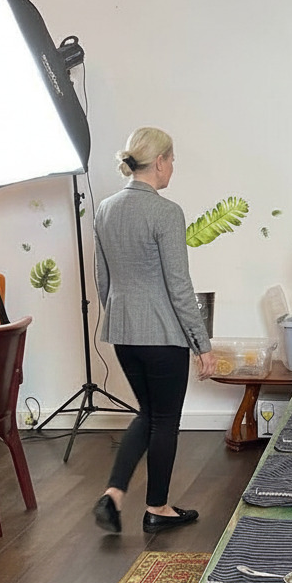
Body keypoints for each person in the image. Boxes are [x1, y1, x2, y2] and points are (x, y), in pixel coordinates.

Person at [91, 126, 216, 535]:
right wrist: (202, 344)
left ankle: (113, 495)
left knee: (148, 413)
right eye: (172, 160)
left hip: (123, 333)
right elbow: (179, 286)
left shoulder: (105, 209)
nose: (173, 167)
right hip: (162, 336)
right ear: (160, 161)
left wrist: (122, 316)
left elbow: (103, 280)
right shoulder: (166, 212)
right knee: (165, 420)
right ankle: (157, 508)